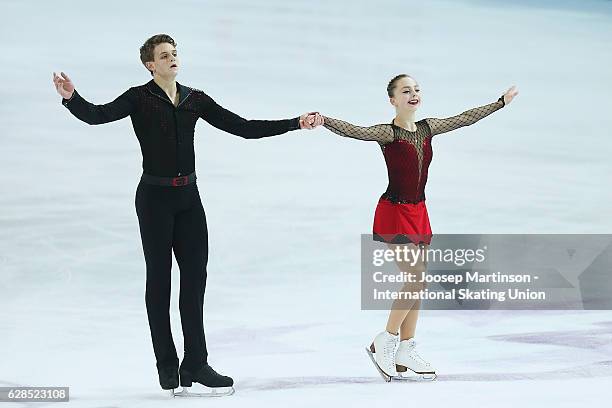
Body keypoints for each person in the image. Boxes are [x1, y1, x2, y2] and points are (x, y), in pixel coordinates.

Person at [52, 33, 323, 394]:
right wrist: (72, 97)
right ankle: (167, 364)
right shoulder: (138, 98)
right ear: (151, 64)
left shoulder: (196, 100)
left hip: (189, 200)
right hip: (153, 199)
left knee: (194, 281)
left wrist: (294, 122)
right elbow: (96, 116)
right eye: (164, 56)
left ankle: (195, 362)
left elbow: (242, 127)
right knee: (159, 281)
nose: (172, 59)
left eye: (174, 53)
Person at [320, 74, 518, 381]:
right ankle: (384, 340)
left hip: (419, 210)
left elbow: (464, 119)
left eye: (416, 89)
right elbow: (354, 132)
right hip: (395, 210)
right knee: (415, 278)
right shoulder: (388, 133)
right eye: (405, 91)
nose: (413, 94)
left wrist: (499, 104)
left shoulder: (427, 128)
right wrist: (324, 119)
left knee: (419, 282)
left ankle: (406, 349)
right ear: (393, 100)